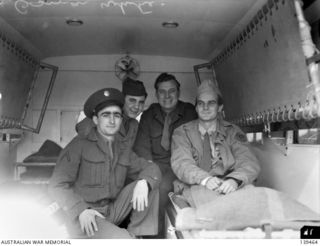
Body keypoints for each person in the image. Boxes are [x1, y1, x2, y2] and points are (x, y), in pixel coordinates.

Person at [49, 88, 161, 239]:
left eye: (116, 115)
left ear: (121, 119)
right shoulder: (79, 145)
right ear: (95, 120)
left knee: (150, 185)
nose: (112, 120)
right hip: (86, 216)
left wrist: (144, 182)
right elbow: (56, 185)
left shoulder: (121, 148)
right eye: (106, 115)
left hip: (111, 210)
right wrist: (80, 209)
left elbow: (151, 168)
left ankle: (138, 234)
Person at [171, 80, 260, 207]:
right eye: (201, 104)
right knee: (214, 207)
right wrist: (205, 179)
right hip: (196, 185)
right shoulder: (181, 133)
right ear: (196, 107)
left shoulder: (232, 131)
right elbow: (181, 163)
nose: (205, 108)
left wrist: (234, 180)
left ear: (220, 107)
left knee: (253, 199)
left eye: (211, 103)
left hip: (228, 183)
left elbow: (248, 161)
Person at [133, 72, 197, 237]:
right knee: (151, 190)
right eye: (162, 91)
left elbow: (197, 146)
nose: (167, 96)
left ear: (178, 92)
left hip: (182, 166)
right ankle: (150, 237)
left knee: (162, 191)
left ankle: (157, 237)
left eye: (172, 91)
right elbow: (142, 149)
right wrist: (149, 177)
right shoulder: (148, 114)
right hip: (156, 167)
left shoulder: (189, 112)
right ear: (156, 94)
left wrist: (183, 176)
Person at [75, 77, 147, 147]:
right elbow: (81, 133)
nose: (137, 106)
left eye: (141, 102)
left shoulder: (134, 125)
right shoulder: (100, 118)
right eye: (132, 100)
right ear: (123, 100)